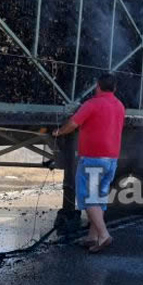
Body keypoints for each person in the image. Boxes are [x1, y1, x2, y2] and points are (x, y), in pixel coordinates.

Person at [53, 74, 125, 253]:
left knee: (89, 198)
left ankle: (104, 235)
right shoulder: (120, 106)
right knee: (99, 198)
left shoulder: (92, 104)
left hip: (93, 160)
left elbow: (73, 123)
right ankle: (92, 237)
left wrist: (59, 132)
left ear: (97, 86)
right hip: (111, 160)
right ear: (115, 88)